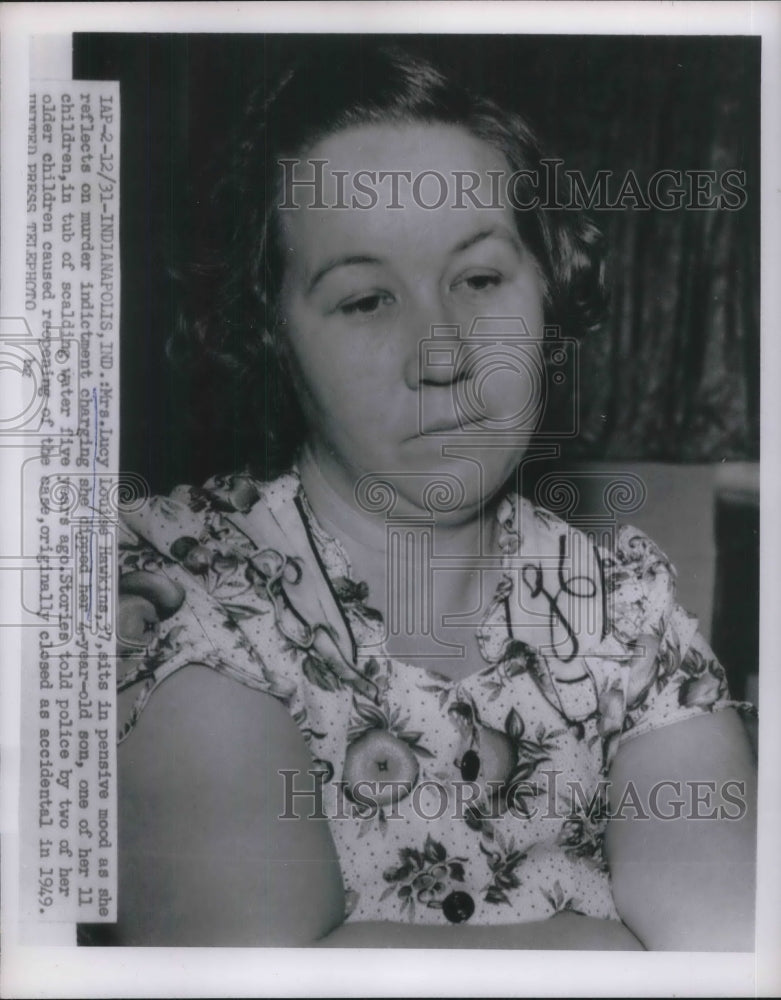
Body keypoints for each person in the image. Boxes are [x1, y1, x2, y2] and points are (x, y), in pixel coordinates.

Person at [108, 42, 756, 949]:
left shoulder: (628, 621)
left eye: (480, 279)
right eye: (366, 300)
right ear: (269, 339)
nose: (445, 354)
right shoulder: (170, 596)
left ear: (550, 289)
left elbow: (731, 956)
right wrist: (606, 945)